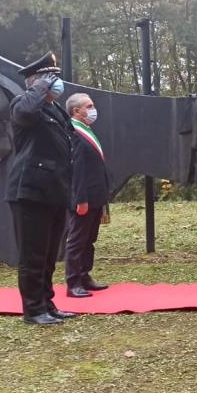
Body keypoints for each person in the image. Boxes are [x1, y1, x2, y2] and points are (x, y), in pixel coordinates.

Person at [5, 51, 76, 325]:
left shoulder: (52, 109)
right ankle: (33, 310)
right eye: (50, 79)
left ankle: (47, 303)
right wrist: (38, 87)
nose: (56, 84)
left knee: (48, 256)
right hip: (30, 191)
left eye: (55, 79)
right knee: (33, 255)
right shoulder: (23, 105)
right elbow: (24, 113)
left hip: (54, 191)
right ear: (36, 83)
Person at [65, 93, 111, 298]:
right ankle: (73, 282)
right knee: (77, 240)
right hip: (84, 197)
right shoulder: (74, 133)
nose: (93, 109)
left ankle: (84, 275)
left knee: (89, 240)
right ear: (76, 111)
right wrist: (80, 199)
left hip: (96, 195)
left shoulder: (86, 130)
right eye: (89, 106)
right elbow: (77, 171)